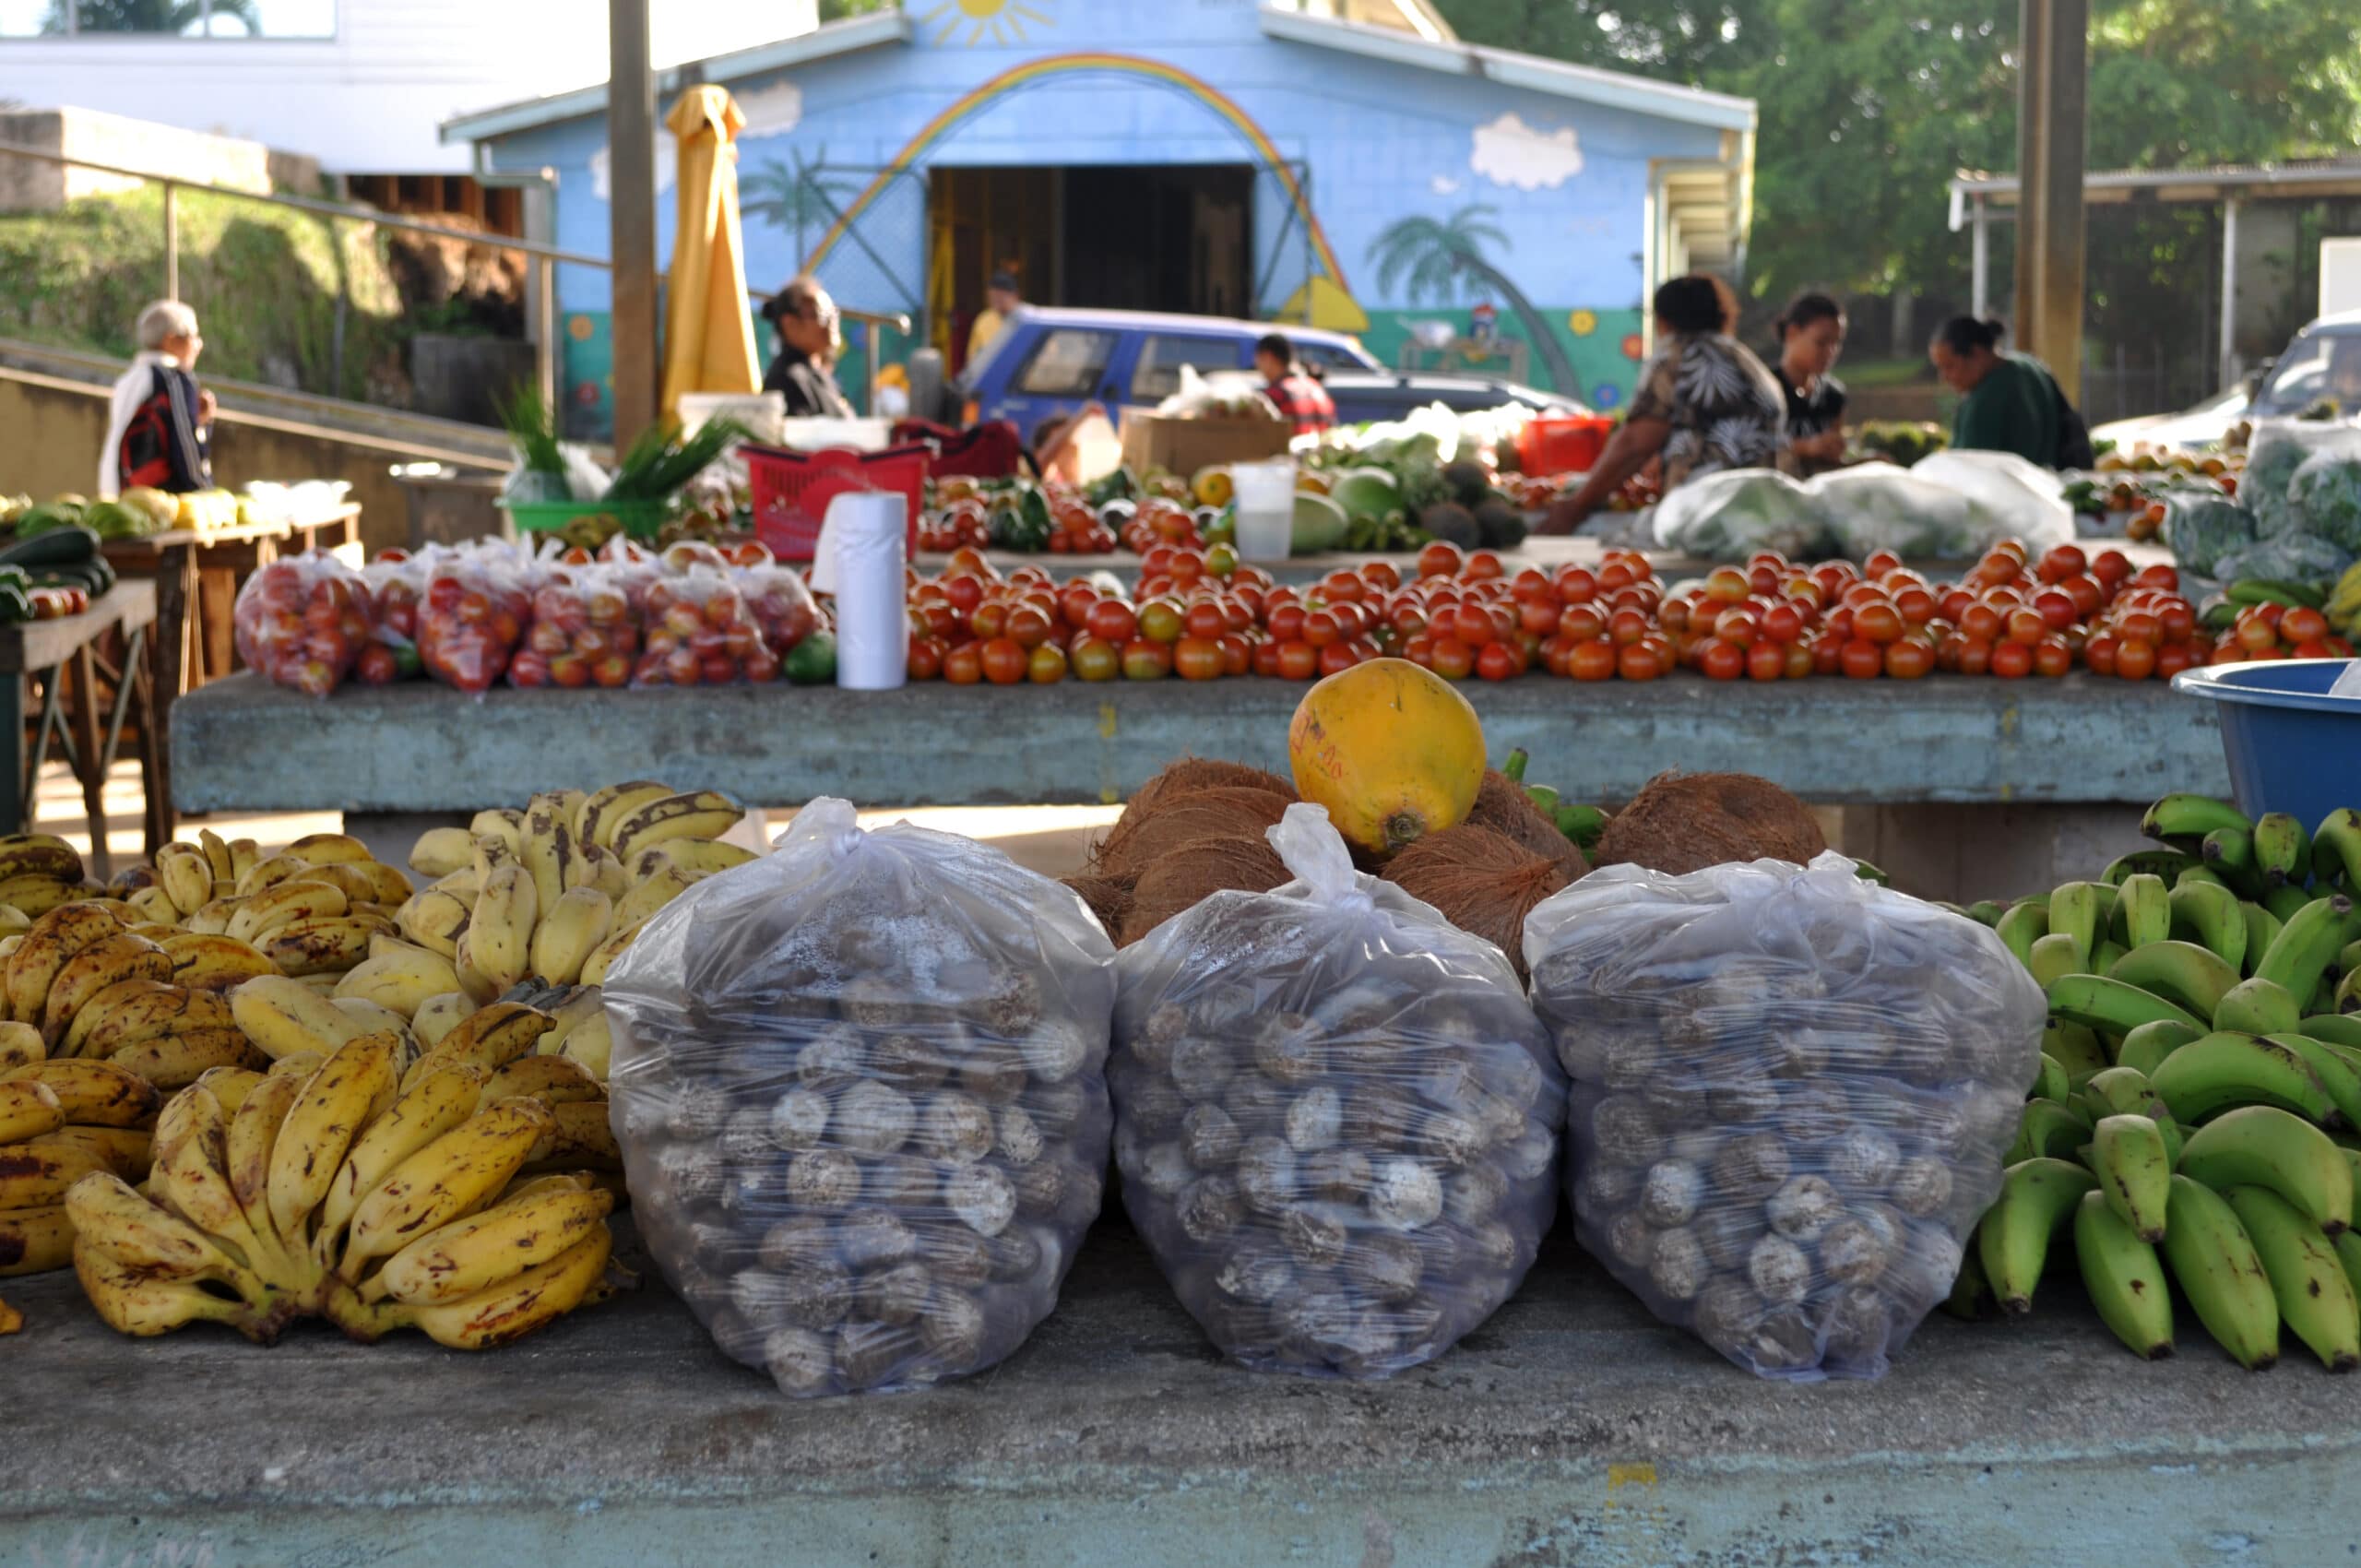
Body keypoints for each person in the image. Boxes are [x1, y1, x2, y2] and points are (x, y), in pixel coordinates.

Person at [1544, 273, 1784, 532]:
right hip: (1770, 514)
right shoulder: (1745, 360)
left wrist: (1575, 508)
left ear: (1664, 321)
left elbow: (1635, 444)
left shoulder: (1675, 358)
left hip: (1708, 518)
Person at [1929, 315, 2094, 469]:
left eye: (1949, 367)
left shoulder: (1985, 399)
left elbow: (1966, 472)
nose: (1944, 378)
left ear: (1977, 354)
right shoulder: (2030, 366)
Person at [101, 299, 214, 498]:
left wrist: (200, 420)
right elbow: (187, 450)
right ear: (170, 340)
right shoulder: (173, 379)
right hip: (162, 501)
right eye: (193, 336)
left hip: (120, 492)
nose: (199, 345)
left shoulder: (129, 379)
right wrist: (205, 494)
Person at [1773, 291, 1847, 474]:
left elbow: (1833, 464)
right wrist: (1806, 447)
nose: (1831, 351)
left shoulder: (1833, 395)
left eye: (1836, 343)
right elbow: (1752, 452)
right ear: (1792, 334)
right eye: (1821, 342)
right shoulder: (1766, 389)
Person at [761, 277, 855, 419]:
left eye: (833, 313)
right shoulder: (788, 379)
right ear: (790, 324)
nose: (831, 322)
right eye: (822, 314)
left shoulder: (815, 372)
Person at [1253, 332, 1335, 436]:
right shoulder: (1317, 388)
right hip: (1322, 451)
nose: (1256, 365)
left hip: (1289, 452)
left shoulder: (1275, 394)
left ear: (1268, 357)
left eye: (1258, 359)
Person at [967, 267, 1021, 368]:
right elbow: (972, 360)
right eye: (993, 297)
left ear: (1015, 296)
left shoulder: (1028, 320)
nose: (996, 301)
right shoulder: (983, 320)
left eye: (1001, 296)